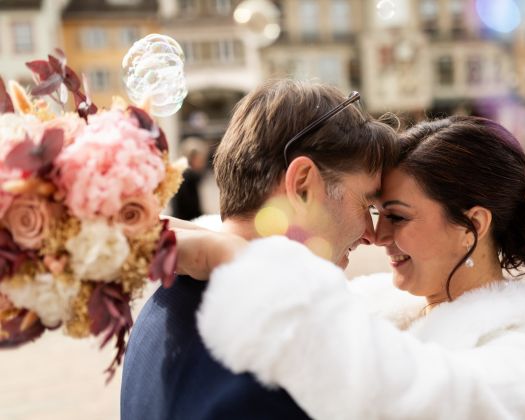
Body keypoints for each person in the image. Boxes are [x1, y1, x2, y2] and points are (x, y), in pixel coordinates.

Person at [178, 116, 525, 419]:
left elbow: (431, 397)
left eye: (396, 216)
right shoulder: (370, 302)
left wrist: (234, 259)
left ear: (472, 226)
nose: (376, 236)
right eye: (374, 212)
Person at [120, 79, 398, 420]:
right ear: (302, 185)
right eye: (367, 204)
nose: (373, 235)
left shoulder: (166, 299)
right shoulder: (270, 372)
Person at [170, 137, 208, 221]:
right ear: (192, 159)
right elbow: (192, 208)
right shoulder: (189, 177)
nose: (203, 163)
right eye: (200, 159)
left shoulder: (181, 173)